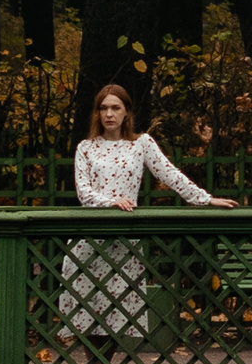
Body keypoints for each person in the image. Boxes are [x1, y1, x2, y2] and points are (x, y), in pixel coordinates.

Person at [60, 84, 230, 350]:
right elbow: (83, 191)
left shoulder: (141, 144)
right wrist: (110, 202)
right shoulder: (86, 147)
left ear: (126, 111)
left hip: (124, 240)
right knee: (89, 306)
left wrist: (204, 198)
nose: (109, 114)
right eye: (103, 108)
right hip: (90, 237)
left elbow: (169, 174)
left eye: (115, 108)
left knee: (117, 307)